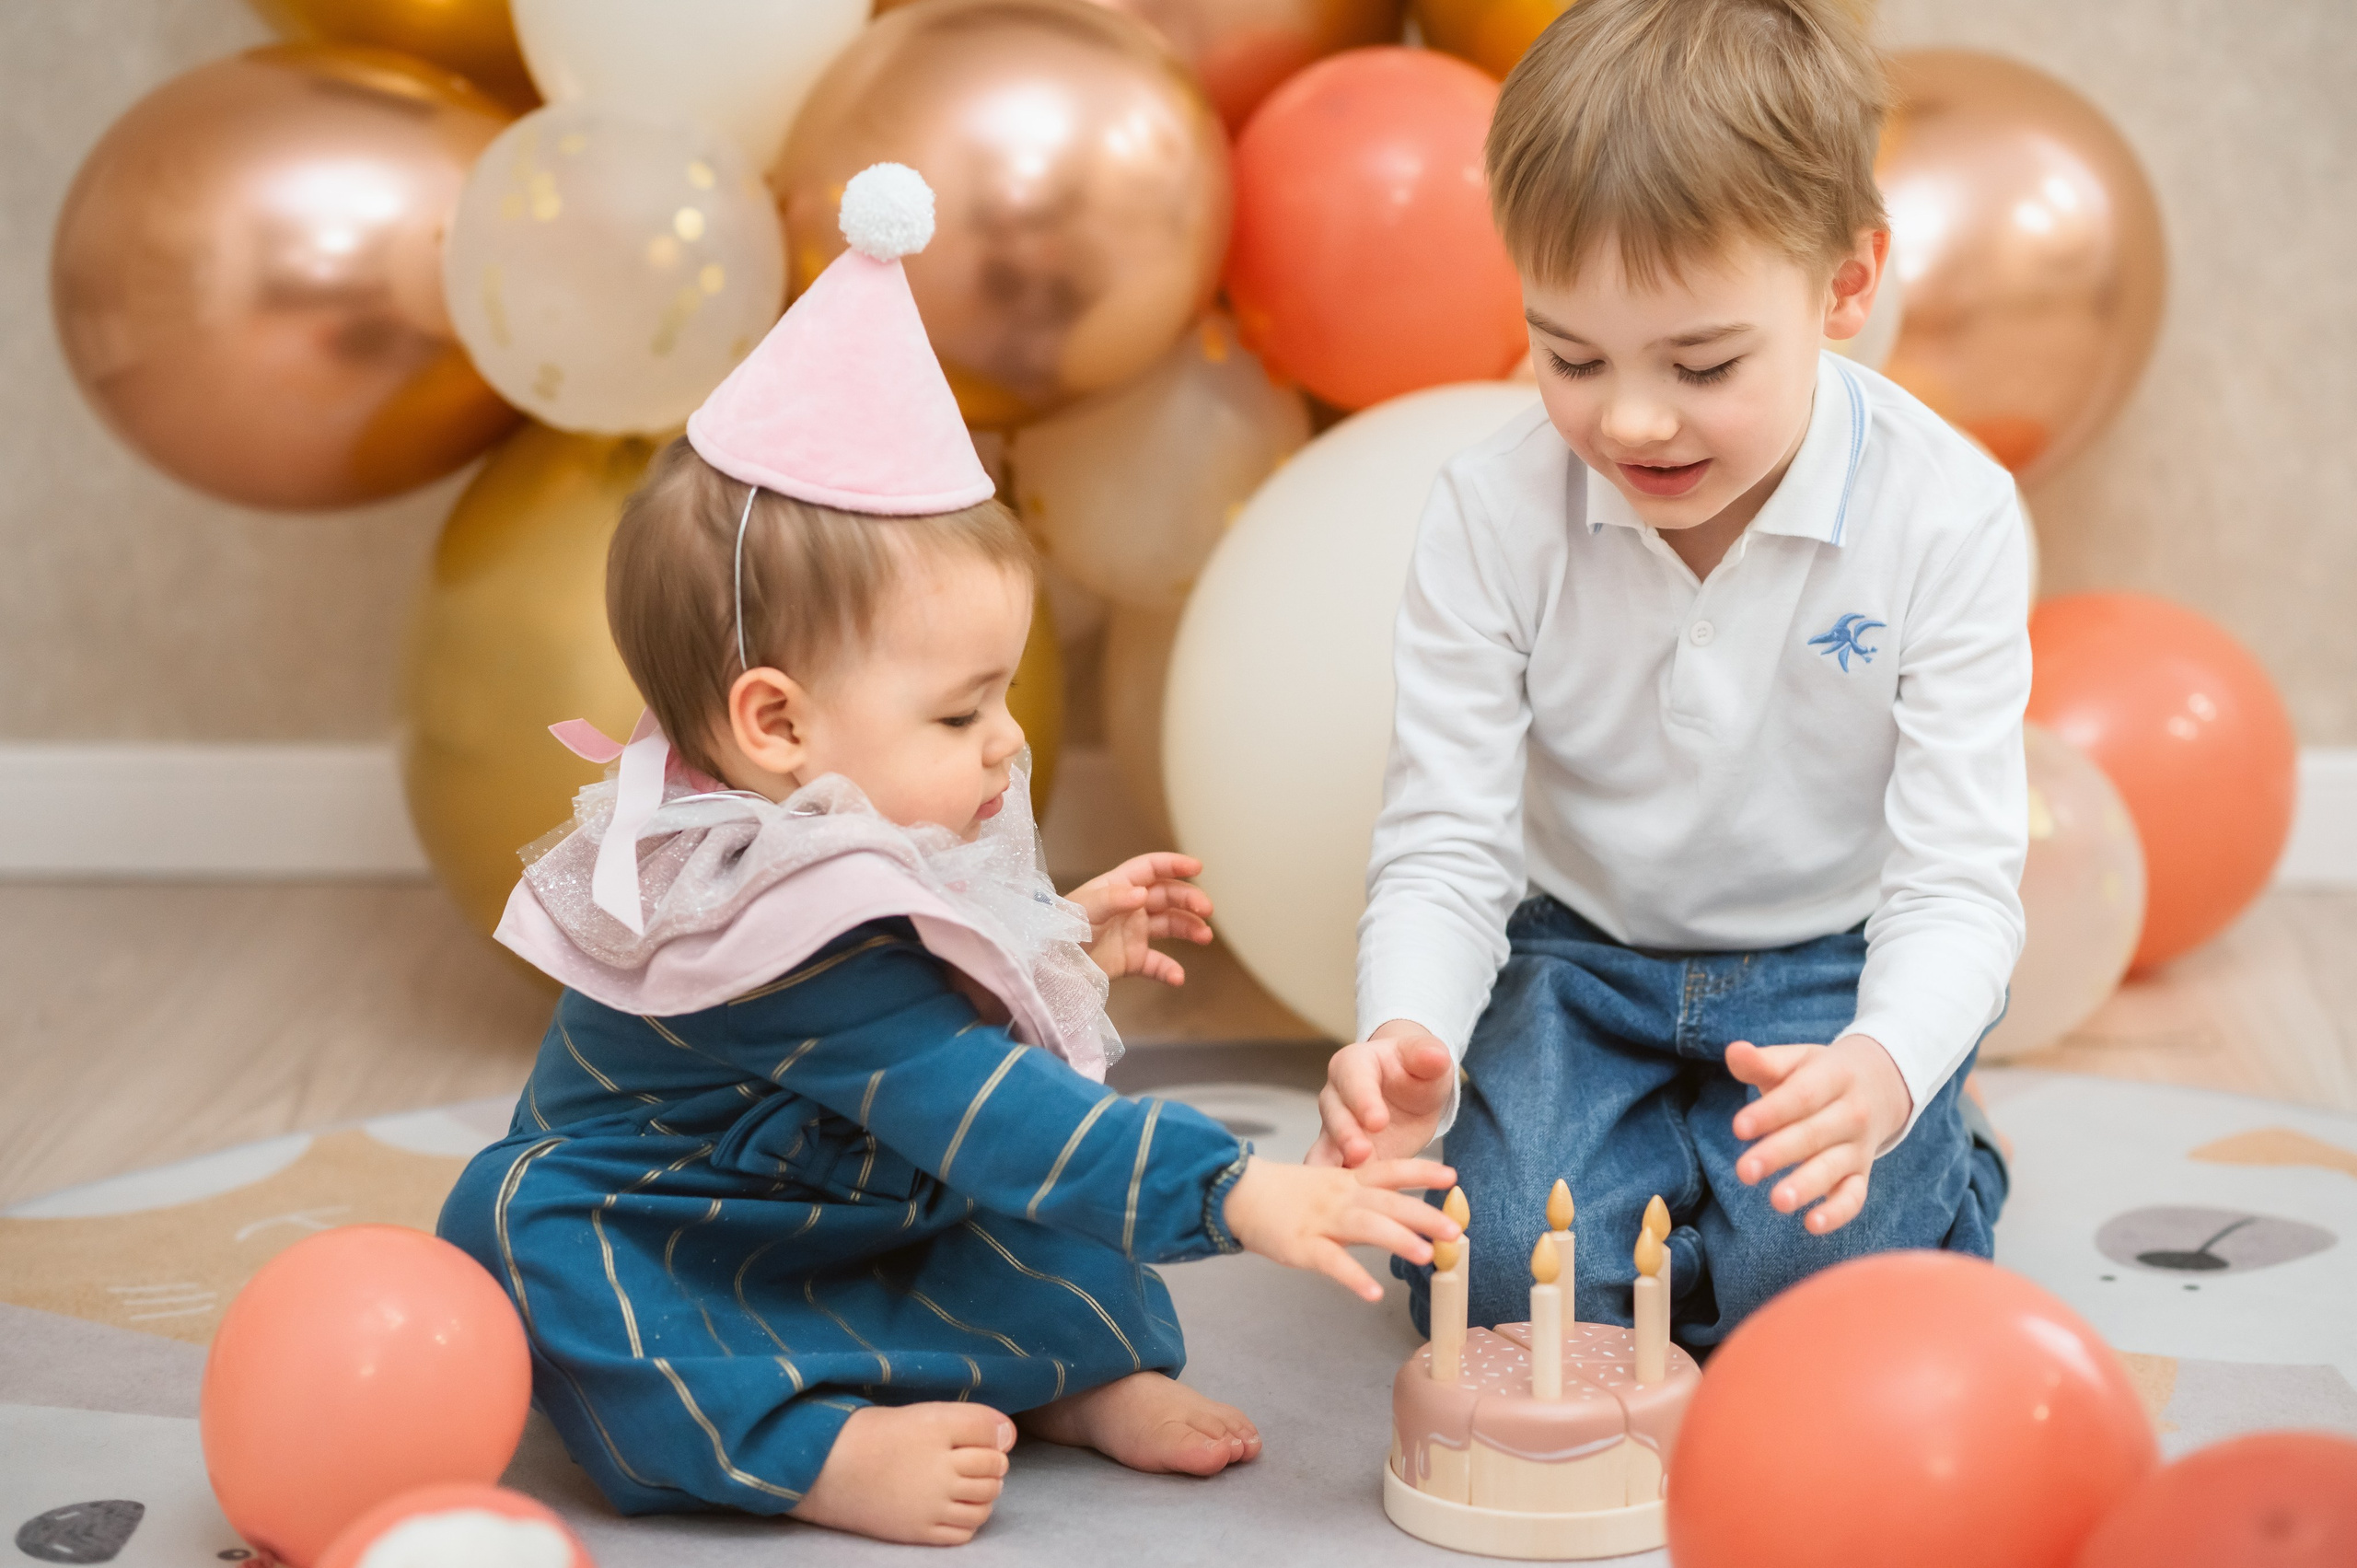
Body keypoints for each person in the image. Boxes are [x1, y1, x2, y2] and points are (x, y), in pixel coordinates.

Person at [438, 164, 1457, 1548]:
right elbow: (977, 1099)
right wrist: (1238, 1186)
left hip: (842, 1190)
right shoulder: (765, 899)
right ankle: (808, 1448)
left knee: (1029, 1226)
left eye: (1001, 694)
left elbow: (928, 986)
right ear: (776, 722)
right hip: (681, 1222)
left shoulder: (825, 816)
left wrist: (1049, 937)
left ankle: (1070, 1378)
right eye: (959, 709)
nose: (1001, 741)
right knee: (538, 1249)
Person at [1310, 0, 2023, 1343]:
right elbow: (1446, 843)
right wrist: (1407, 1037)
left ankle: (1942, 1153)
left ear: (1845, 286)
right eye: (1570, 356)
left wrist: (1884, 1068)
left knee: (1818, 1308)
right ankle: (1684, 1187)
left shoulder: (1951, 515)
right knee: (1502, 1280)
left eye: (1701, 364)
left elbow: (1959, 881)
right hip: (1581, 959)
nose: (1630, 418)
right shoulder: (1490, 508)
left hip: (1834, 962)